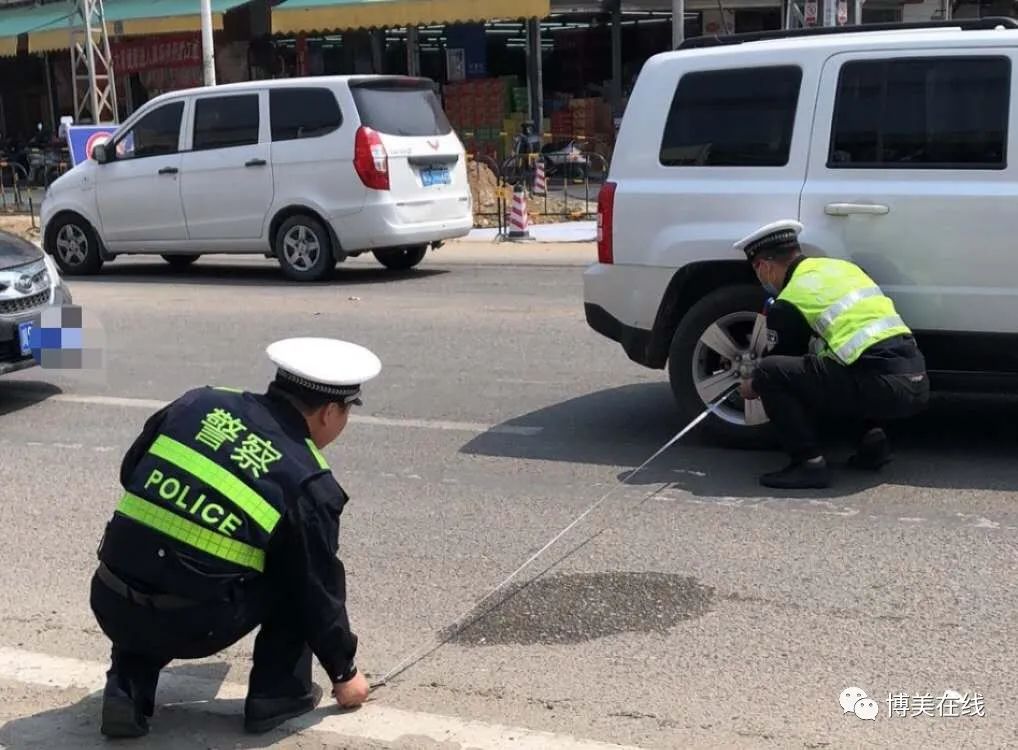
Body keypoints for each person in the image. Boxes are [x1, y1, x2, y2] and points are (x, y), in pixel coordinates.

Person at [90, 337, 380, 738]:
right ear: (330, 412)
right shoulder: (308, 480)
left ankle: (127, 685)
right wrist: (345, 673)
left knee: (152, 554)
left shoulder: (199, 403)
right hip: (190, 624)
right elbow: (318, 590)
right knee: (296, 575)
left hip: (110, 599)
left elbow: (132, 472)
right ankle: (277, 696)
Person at [733, 220, 929, 489]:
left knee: (770, 371)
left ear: (764, 266)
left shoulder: (789, 300)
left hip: (880, 387)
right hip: (916, 380)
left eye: (758, 272)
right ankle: (872, 444)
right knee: (836, 366)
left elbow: (780, 369)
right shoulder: (843, 268)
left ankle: (808, 464)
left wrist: (751, 384)